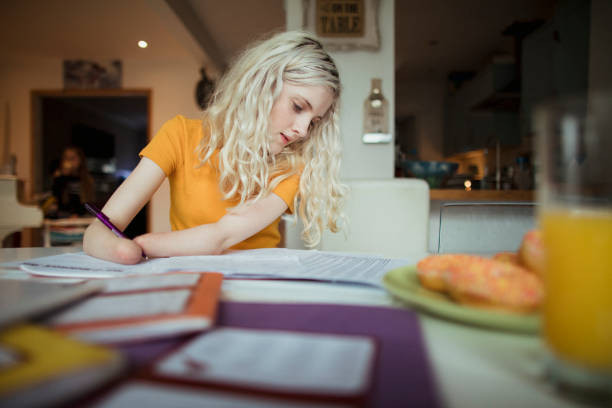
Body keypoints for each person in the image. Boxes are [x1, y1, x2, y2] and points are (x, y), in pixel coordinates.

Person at [83, 30, 347, 264]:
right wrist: (117, 249)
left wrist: (140, 246)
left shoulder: (292, 166)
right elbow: (101, 228)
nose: (302, 130)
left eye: (313, 122)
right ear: (260, 85)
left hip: (258, 285)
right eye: (298, 107)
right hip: (189, 279)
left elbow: (221, 236)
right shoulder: (180, 134)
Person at [47, 146, 94, 218]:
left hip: (81, 215)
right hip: (63, 215)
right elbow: (56, 197)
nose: (69, 161)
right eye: (66, 158)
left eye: (73, 158)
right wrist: (62, 177)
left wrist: (78, 214)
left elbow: (88, 201)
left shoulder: (86, 179)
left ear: (80, 160)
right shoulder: (59, 177)